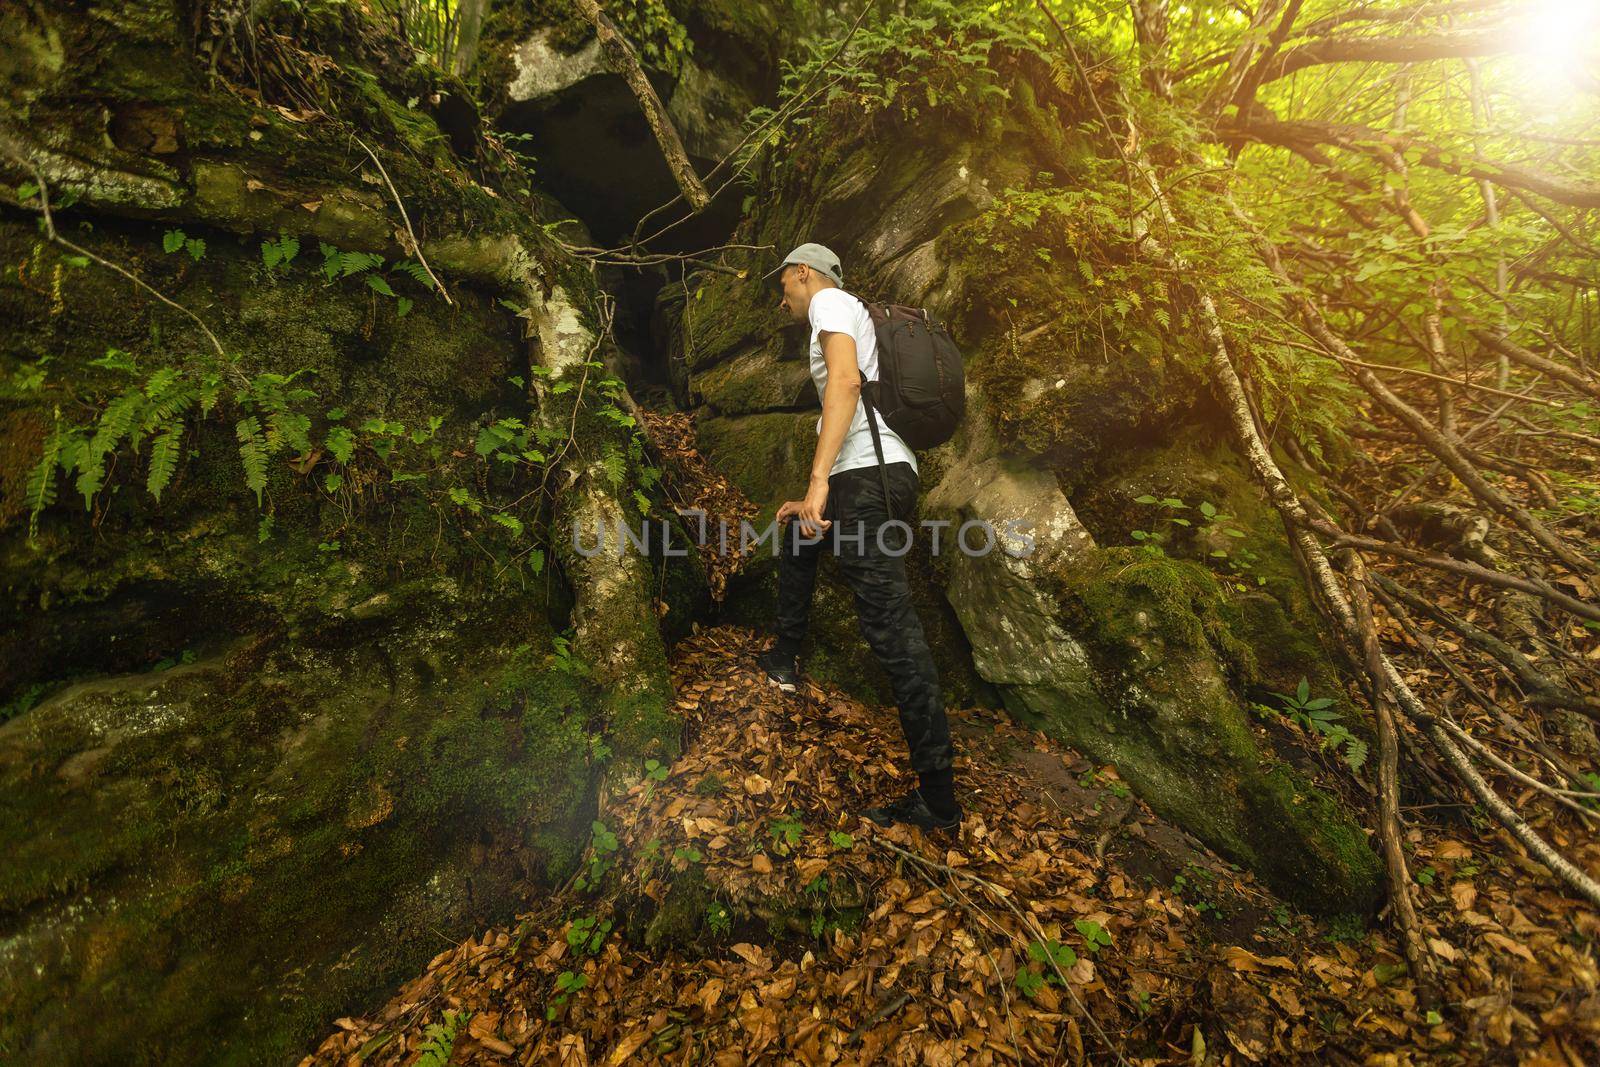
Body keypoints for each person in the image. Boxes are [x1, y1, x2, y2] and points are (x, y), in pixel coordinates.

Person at [752, 241, 962, 832]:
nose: (783, 297)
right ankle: (783, 660)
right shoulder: (849, 311)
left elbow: (844, 385)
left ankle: (939, 799)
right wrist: (814, 494)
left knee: (890, 627)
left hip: (868, 478)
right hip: (866, 474)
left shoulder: (831, 304)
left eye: (784, 285)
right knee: (799, 533)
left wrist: (819, 481)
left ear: (801, 274)